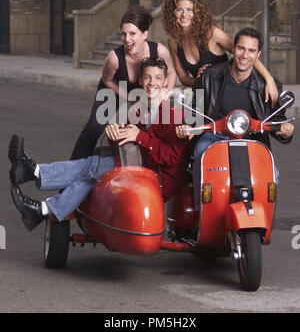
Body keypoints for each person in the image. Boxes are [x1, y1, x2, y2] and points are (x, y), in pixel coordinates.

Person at [9, 57, 189, 232]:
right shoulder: (141, 109)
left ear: (165, 81)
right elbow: (124, 142)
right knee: (91, 175)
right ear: (141, 80)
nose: (152, 83)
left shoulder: (173, 114)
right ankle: (42, 210)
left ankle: (34, 172)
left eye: (158, 78)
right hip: (141, 166)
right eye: (148, 77)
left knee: (93, 165)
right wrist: (114, 131)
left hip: (159, 180)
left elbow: (171, 157)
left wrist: (140, 136)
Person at [176, 27, 294, 211]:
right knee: (201, 156)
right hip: (215, 137)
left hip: (252, 140)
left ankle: (260, 219)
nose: (245, 55)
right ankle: (203, 214)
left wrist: (285, 129)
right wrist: (187, 126)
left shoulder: (269, 85)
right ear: (234, 48)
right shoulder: (209, 76)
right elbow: (195, 111)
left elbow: (276, 118)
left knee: (273, 175)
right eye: (241, 48)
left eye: (251, 50)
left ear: (258, 54)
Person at [71, 5, 176, 160]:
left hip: (145, 89)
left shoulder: (160, 51)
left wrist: (166, 92)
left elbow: (172, 72)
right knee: (94, 127)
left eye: (132, 33)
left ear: (145, 34)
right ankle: (74, 166)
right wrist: (130, 98)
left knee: (156, 127)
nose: (127, 39)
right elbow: (107, 80)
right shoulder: (114, 58)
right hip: (114, 88)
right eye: (123, 34)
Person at [162, 0, 278, 106]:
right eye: (179, 9)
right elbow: (183, 77)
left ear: (197, 12)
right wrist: (198, 80)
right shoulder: (173, 42)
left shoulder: (213, 33)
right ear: (172, 12)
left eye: (190, 9)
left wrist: (269, 80)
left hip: (227, 95)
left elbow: (245, 54)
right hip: (203, 98)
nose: (184, 15)